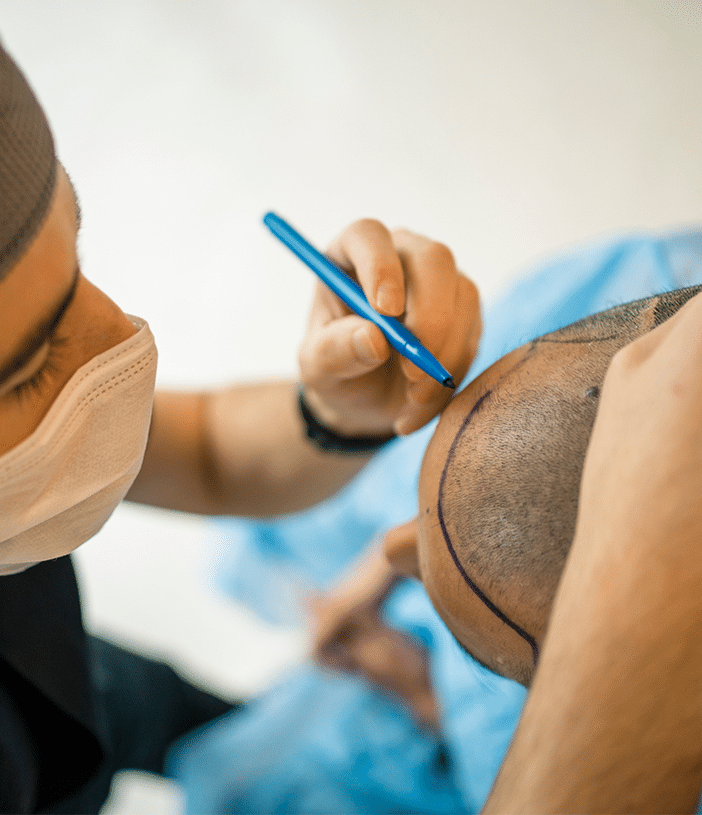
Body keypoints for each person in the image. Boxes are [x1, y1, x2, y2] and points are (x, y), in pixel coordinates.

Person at [0, 41, 480, 814]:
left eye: (76, 259)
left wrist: (334, 412)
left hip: (80, 674)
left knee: (151, 708)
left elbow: (210, 450)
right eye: (26, 366)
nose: (121, 332)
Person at [169, 225, 702, 813]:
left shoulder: (508, 743)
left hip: (423, 709)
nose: (405, 544)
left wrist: (424, 696)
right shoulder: (612, 289)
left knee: (238, 783)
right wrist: (377, 570)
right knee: (243, 551)